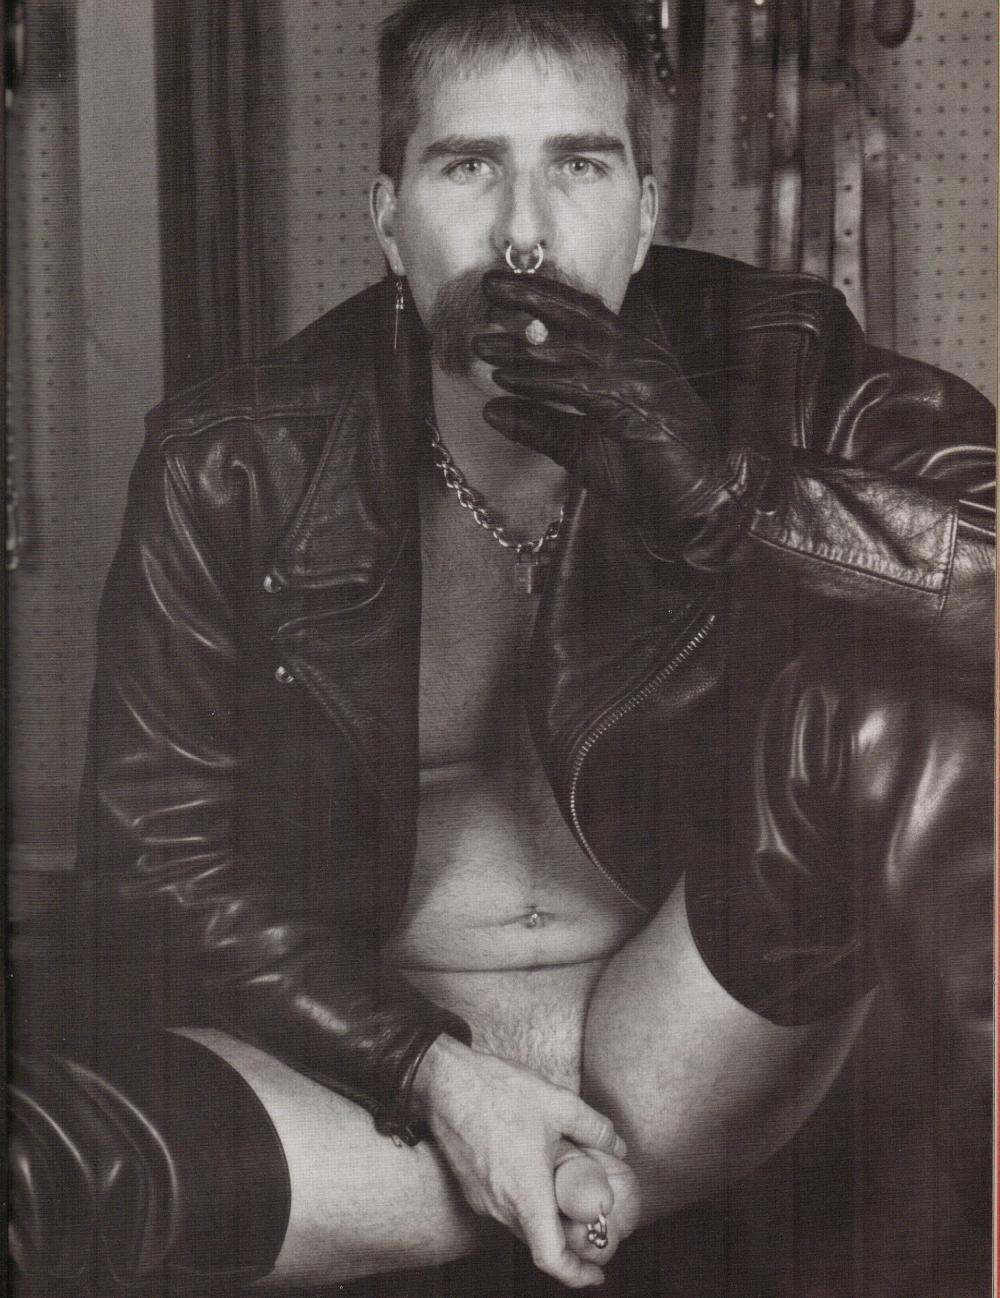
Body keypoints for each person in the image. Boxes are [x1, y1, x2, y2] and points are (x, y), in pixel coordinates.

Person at [9, 1, 994, 1294]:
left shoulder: (789, 364)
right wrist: (443, 1081)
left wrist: (722, 493)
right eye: (468, 166)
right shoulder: (233, 458)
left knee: (897, 691)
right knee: (37, 1170)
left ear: (645, 214)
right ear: (389, 221)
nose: (524, 232)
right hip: (379, 1084)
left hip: (695, 1044)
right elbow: (159, 863)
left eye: (579, 164)